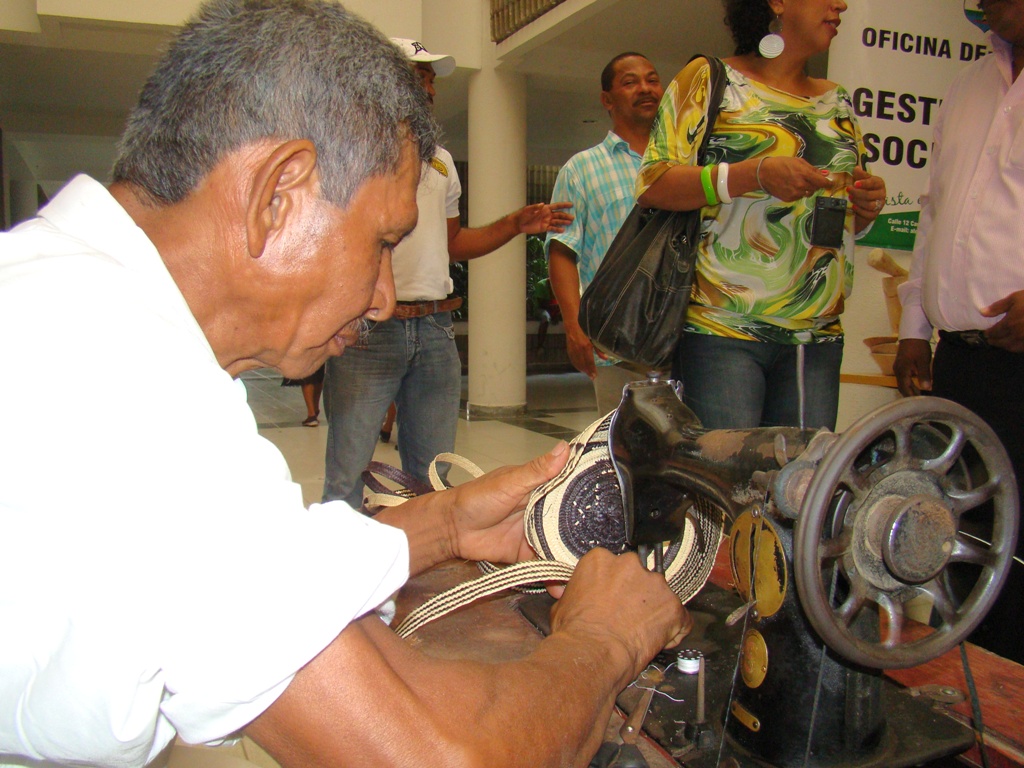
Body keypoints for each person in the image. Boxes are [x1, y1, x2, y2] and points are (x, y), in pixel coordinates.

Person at [0, 2, 690, 767]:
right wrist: (605, 638)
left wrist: (450, 524)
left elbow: (260, 578)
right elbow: (439, 760)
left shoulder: (65, 305)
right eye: (383, 242)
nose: (385, 297)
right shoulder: (128, 387)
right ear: (279, 191)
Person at [321, 37, 574, 510]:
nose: (430, 88)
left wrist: (514, 224)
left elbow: (452, 244)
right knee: (347, 473)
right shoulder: (350, 152)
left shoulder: (439, 160)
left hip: (435, 330)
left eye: (432, 78)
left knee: (433, 475)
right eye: (419, 76)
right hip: (369, 331)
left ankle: (426, 576)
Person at [635, 0, 887, 431]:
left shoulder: (837, 102)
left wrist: (864, 208)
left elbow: (839, 224)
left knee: (802, 491)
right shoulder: (709, 79)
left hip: (816, 336)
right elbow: (654, 185)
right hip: (723, 330)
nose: (841, 4)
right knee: (729, 492)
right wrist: (753, 173)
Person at [893, 0, 1024, 664]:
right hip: (962, 367)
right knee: (961, 541)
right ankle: (965, 695)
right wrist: (915, 326)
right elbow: (934, 209)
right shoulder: (969, 84)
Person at [545, 52, 665, 415]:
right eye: (630, 82)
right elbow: (561, 250)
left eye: (652, 79)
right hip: (619, 347)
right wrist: (573, 327)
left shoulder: (686, 162)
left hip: (694, 340)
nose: (645, 88)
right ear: (607, 99)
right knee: (628, 457)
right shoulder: (580, 170)